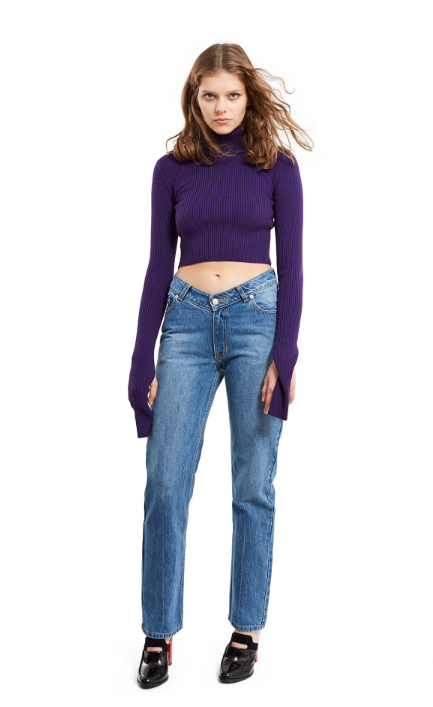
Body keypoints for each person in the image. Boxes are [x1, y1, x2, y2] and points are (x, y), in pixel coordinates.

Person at [128, 43, 313, 688]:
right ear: (194, 98)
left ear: (248, 96)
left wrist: (285, 354)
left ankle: (246, 628)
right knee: (165, 483)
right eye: (209, 95)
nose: (221, 107)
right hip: (183, 323)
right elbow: (158, 264)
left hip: (257, 321)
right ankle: (158, 631)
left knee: (253, 484)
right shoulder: (171, 169)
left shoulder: (277, 166)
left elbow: (294, 267)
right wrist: (141, 358)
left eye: (232, 95)